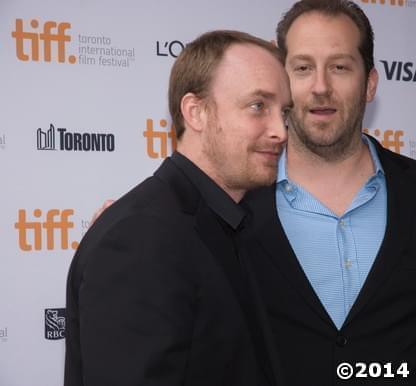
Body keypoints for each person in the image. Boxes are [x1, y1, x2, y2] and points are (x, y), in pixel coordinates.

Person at [240, 0, 416, 385]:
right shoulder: (238, 199)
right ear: (282, 83)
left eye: (340, 67)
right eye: (302, 68)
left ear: (370, 83)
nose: (320, 86)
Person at [64, 30, 292, 386]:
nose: (281, 131)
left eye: (284, 112)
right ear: (195, 112)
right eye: (258, 106)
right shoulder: (141, 238)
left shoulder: (237, 221)